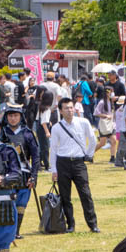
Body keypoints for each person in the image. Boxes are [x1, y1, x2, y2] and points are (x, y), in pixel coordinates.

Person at [50, 97, 99, 233]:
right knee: (65, 196)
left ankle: (92, 224)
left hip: (78, 162)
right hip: (63, 162)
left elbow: (93, 139)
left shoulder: (83, 122)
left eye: (71, 107)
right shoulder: (56, 127)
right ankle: (70, 224)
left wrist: (88, 154)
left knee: (85, 194)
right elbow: (53, 149)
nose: (70, 111)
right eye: (66, 108)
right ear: (60, 110)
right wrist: (53, 169)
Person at [0, 104, 39, 240]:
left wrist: (34, 176)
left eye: (16, 115)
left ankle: (16, 231)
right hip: (6, 174)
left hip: (24, 173)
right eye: (10, 116)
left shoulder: (27, 133)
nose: (13, 118)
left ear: (20, 117)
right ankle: (7, 232)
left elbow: (35, 156)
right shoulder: (1, 133)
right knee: (7, 203)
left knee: (21, 204)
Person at [0, 117, 23, 252]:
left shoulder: (8, 151)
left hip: (4, 204)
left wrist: (3, 180)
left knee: (2, 244)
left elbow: (17, 174)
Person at [92, 87, 117, 162]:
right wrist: (106, 116)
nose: (112, 93)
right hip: (104, 125)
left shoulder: (110, 101)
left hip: (111, 125)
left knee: (114, 141)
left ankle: (112, 157)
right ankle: (89, 154)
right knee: (102, 143)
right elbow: (96, 113)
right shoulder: (102, 102)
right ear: (107, 93)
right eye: (111, 92)